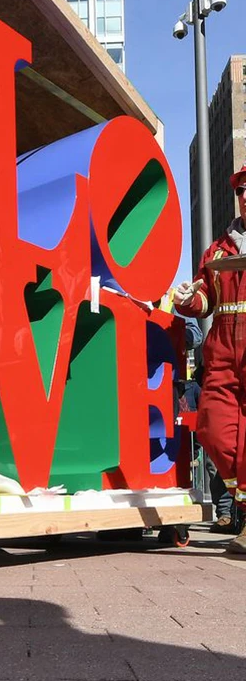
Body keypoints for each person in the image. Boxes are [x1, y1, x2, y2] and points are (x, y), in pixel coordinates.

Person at [174, 159, 246, 553]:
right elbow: (206, 299)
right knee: (213, 429)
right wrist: (189, 299)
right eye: (241, 190)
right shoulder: (217, 250)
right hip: (220, 355)